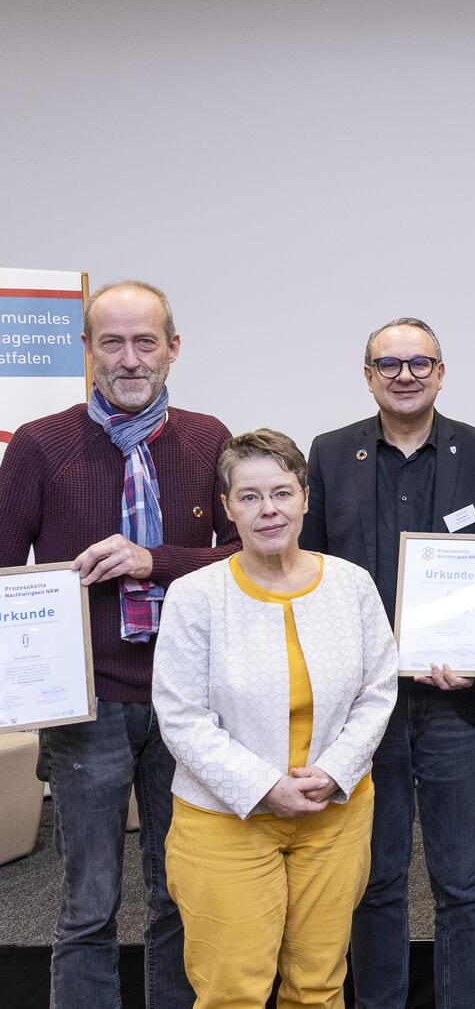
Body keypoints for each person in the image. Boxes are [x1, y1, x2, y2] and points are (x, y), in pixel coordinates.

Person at [0, 279, 237, 1008]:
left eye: (145, 342)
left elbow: (245, 558)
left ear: (172, 348)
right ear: (87, 350)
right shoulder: (41, 444)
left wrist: (151, 559)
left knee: (179, 896)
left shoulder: (208, 438)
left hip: (187, 703)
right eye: (112, 341)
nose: (129, 359)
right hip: (88, 706)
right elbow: (4, 572)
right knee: (86, 905)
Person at [299, 316, 475, 1008]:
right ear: (368, 376)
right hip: (364, 706)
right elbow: (310, 570)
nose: (405, 374)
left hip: (453, 702)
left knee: (462, 880)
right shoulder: (331, 455)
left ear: (441, 372)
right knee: (378, 875)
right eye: (388, 363)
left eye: (419, 362)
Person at [152, 428, 398, 1007]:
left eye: (282, 493)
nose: (269, 510)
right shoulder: (196, 595)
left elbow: (378, 691)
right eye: (250, 496)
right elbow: (182, 717)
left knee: (318, 987)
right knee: (233, 991)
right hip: (224, 820)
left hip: (333, 812)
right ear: (227, 507)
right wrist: (265, 788)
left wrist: (335, 772)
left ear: (306, 498)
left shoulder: (351, 585)